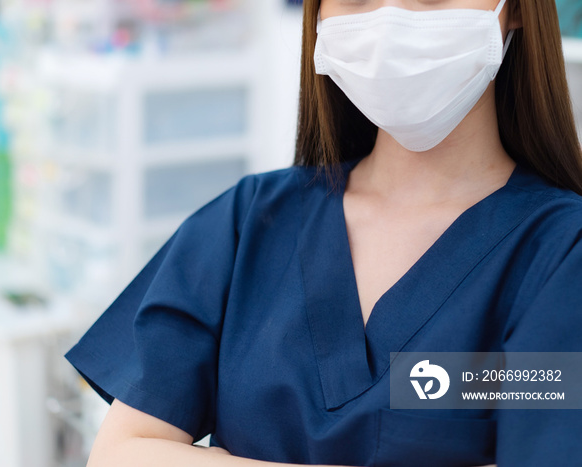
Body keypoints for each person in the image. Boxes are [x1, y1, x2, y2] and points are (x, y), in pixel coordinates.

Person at [65, 0, 582, 465]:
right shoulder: (249, 220)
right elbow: (120, 453)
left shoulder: (561, 251)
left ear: (515, 9)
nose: (388, 20)